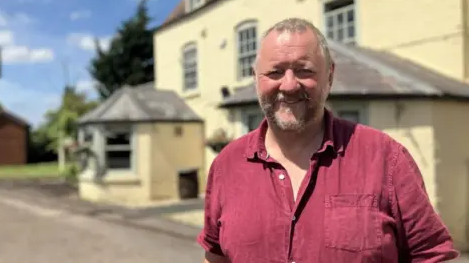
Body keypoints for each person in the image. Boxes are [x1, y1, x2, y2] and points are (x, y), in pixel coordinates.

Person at [197, 17, 459, 263]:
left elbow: (430, 255)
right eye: (275, 72)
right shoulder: (226, 166)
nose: (289, 85)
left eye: (304, 70)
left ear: (330, 76)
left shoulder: (387, 159)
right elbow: (216, 255)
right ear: (256, 78)